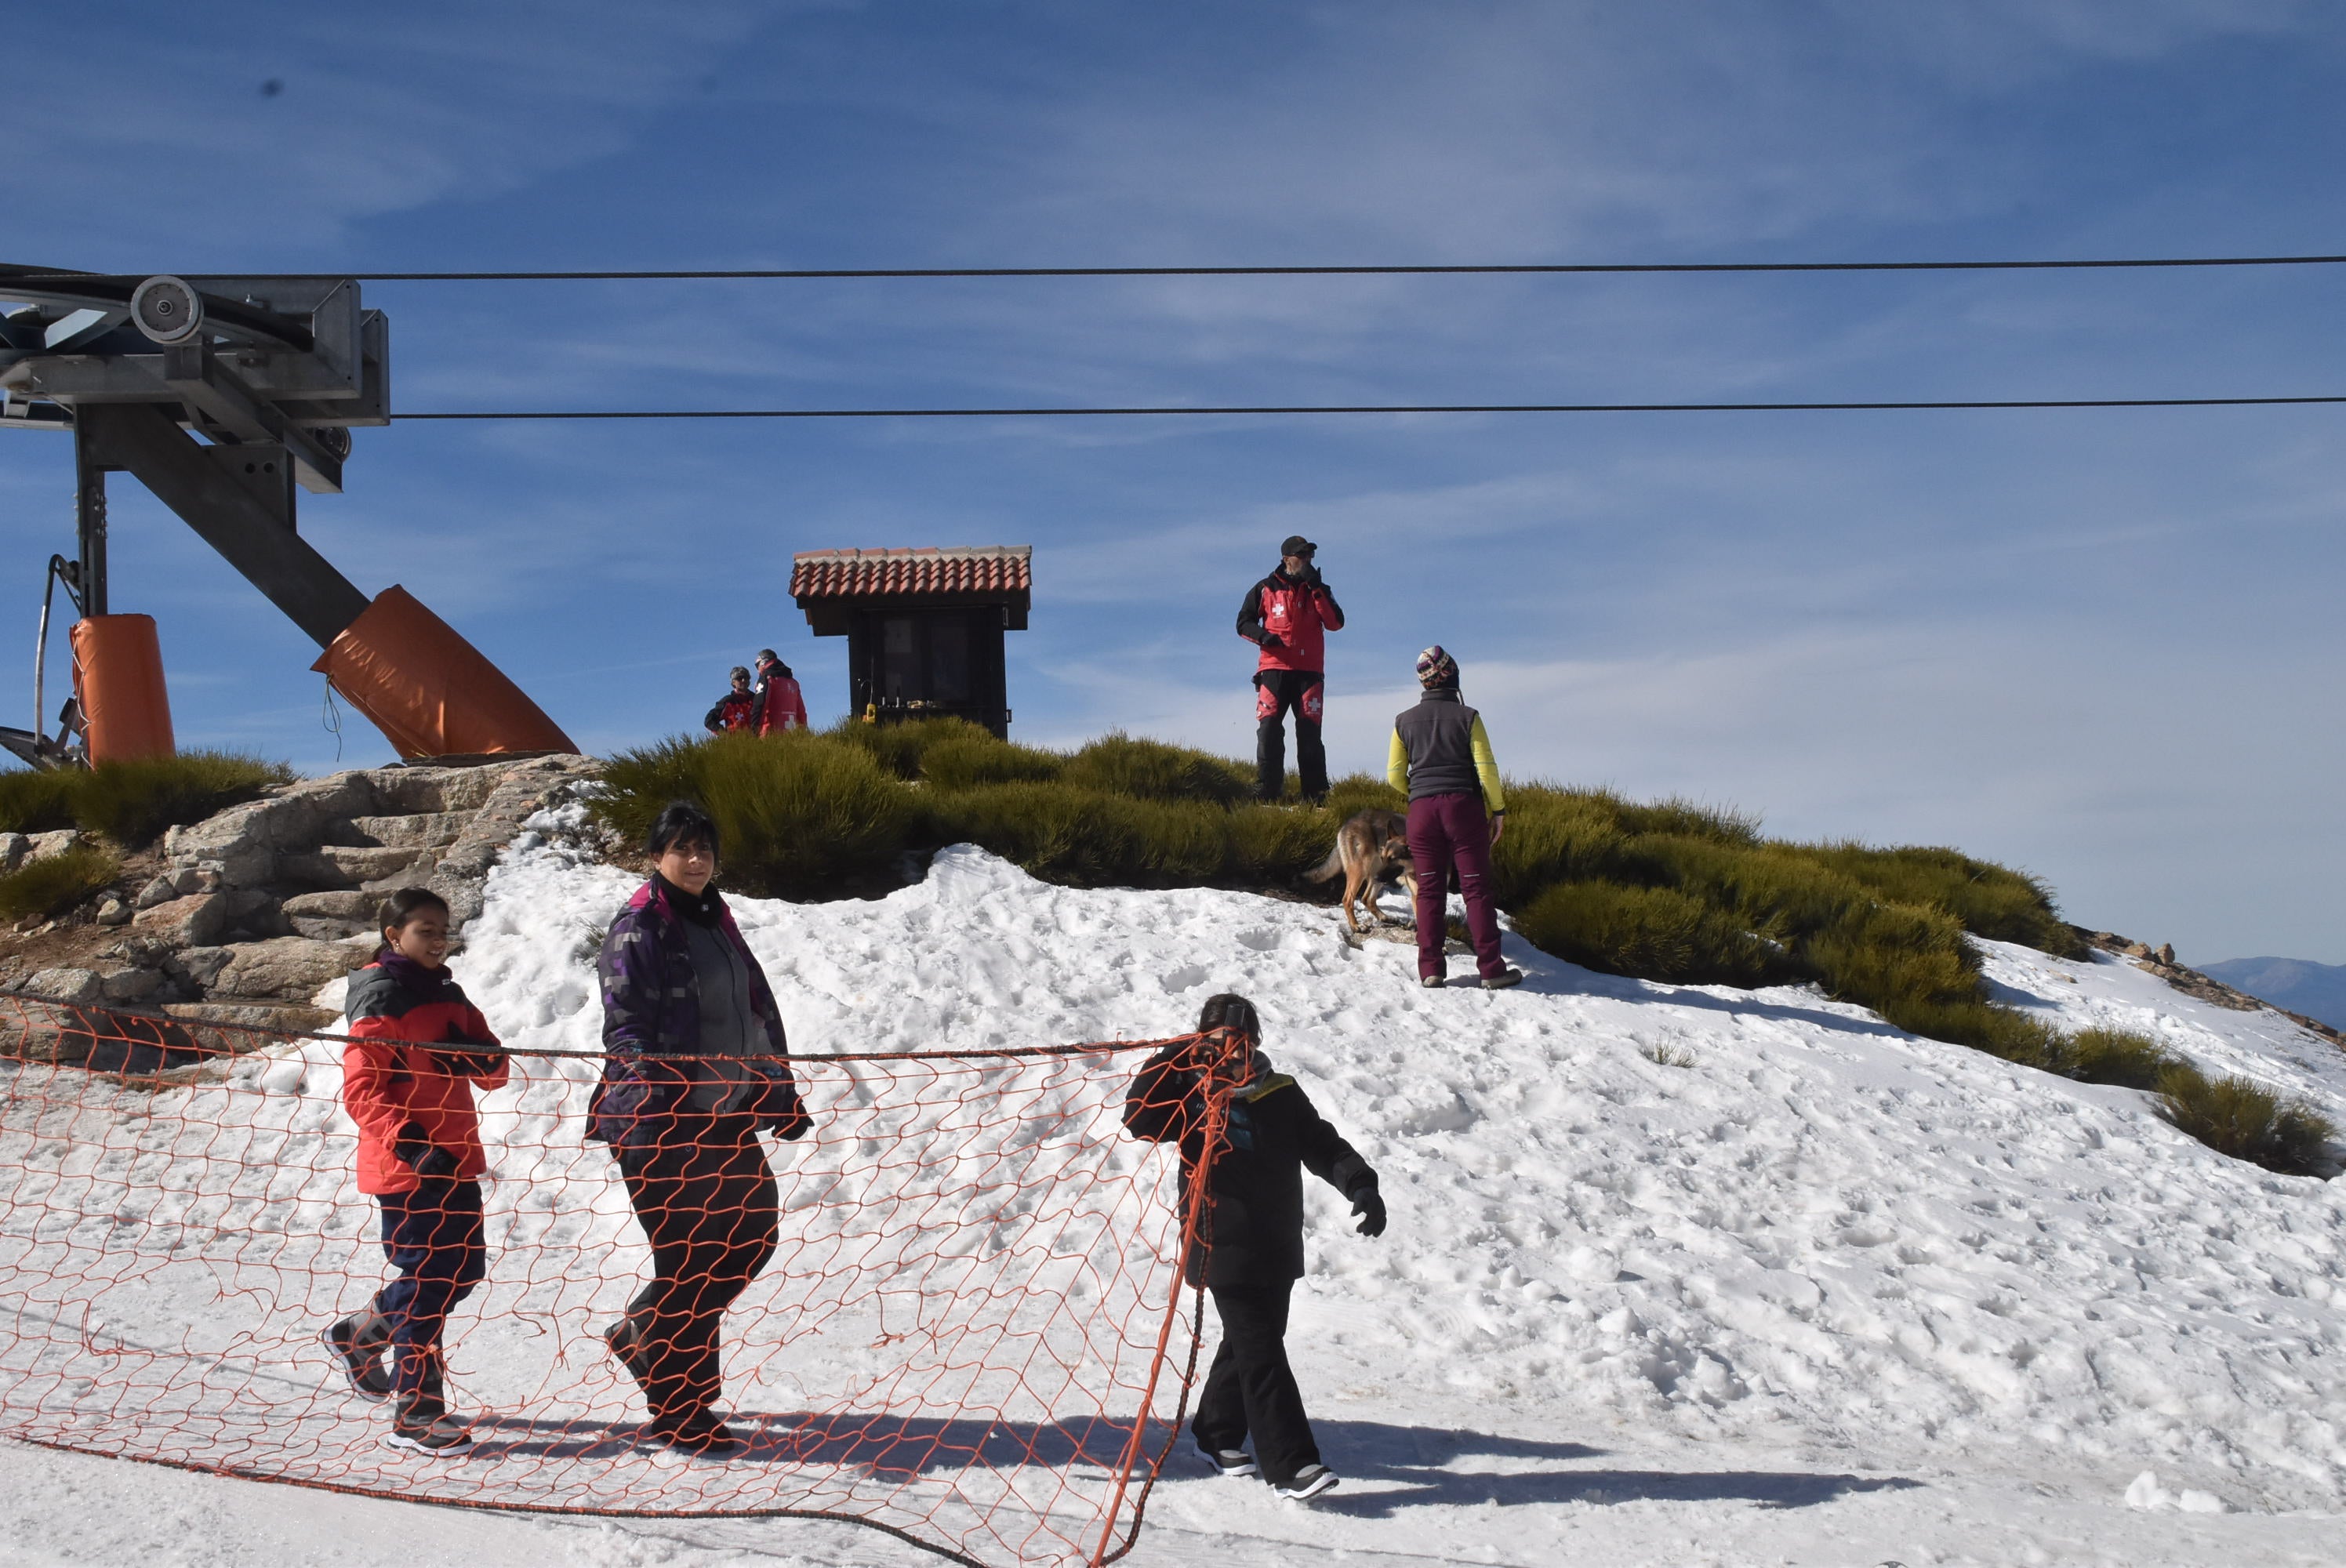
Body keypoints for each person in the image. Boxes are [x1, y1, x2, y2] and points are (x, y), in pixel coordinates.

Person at [590, 800, 812, 1455]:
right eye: (681, 849)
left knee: (752, 1239)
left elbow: (752, 1011)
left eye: (704, 849)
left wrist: (777, 1090)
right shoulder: (639, 926)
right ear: (656, 856)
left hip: (727, 1117)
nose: (695, 860)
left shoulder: (718, 920)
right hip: (663, 1123)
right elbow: (623, 1020)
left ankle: (643, 1333)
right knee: (688, 1265)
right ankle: (679, 1409)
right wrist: (648, 1082)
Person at [1123, 993, 1385, 1503]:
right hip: (1217, 1242)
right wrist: (1171, 1059)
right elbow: (1139, 1118)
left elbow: (1322, 1145)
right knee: (1262, 1350)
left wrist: (1361, 1184)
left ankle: (1216, 1433)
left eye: (1239, 1043)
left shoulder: (1281, 1093)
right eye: (1216, 1043)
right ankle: (1291, 1465)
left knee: (1251, 1343)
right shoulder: (1190, 1097)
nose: (1230, 1053)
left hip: (1277, 1243)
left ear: (1256, 1044)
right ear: (1201, 1046)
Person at [325, 887, 510, 1454]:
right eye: (424, 930)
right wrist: (411, 1146)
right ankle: (417, 1413)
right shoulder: (380, 996)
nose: (437, 939)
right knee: (429, 1283)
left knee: (464, 1272)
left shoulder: (449, 993)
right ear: (393, 936)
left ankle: (360, 1335)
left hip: (455, 1159)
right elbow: (361, 1090)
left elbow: (496, 1071)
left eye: (442, 929)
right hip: (408, 1168)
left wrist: (477, 1055)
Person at [1387, 646, 1522, 990]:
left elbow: (1393, 775)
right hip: (1464, 809)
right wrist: (1498, 809)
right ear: (1453, 677)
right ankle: (1491, 970)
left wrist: (1418, 792)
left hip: (1422, 812)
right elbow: (1486, 768)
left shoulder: (1403, 721)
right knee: (1476, 890)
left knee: (1430, 890)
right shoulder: (1469, 716)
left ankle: (1431, 970)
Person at [1236, 535, 1345, 804]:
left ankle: (1315, 794)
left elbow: (1335, 623)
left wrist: (1316, 588)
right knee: (1269, 730)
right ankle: (1268, 791)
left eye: (1310, 555)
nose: (1307, 560)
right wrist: (1264, 637)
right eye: (1302, 555)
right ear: (1286, 559)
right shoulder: (1265, 588)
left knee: (1309, 735)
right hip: (1274, 670)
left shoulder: (1320, 590)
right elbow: (1243, 623)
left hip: (1309, 674)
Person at [751, 648, 808, 735]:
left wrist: (754, 729)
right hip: (792, 733)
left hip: (770, 733)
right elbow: (801, 710)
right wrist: (803, 730)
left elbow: (760, 704)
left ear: (763, 662)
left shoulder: (767, 679)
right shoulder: (794, 683)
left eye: (757, 665)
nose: (758, 669)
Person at [704, 667, 757, 735]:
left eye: (746, 677)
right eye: (739, 678)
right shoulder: (728, 701)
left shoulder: (756, 699)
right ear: (733, 682)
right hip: (736, 742)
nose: (743, 680)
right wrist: (725, 734)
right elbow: (709, 720)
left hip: (757, 741)